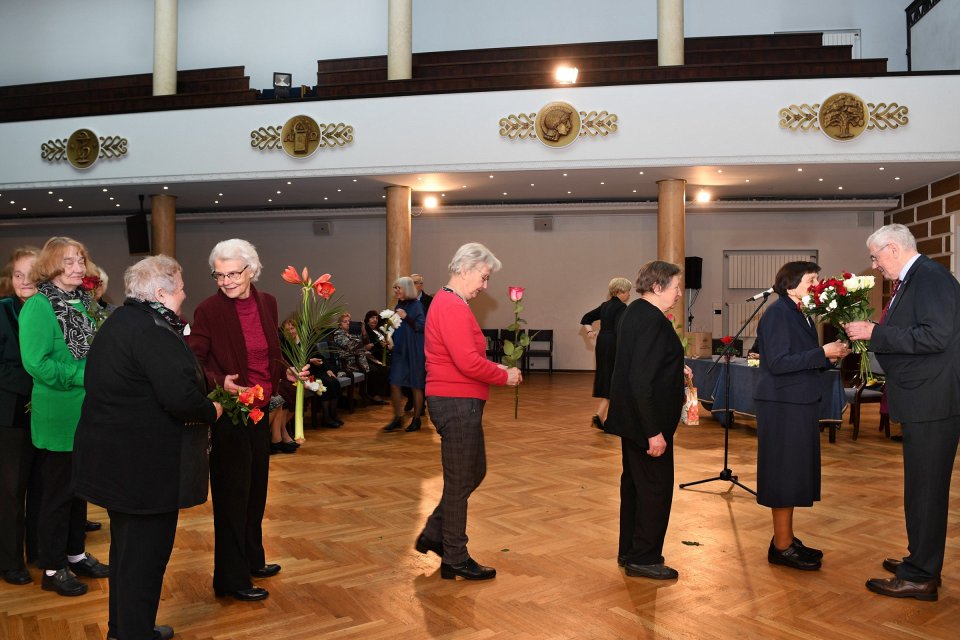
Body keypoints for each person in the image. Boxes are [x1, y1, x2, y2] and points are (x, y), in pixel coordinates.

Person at [73, 255, 222, 640]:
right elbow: (181, 398)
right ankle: (134, 633)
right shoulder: (152, 330)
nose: (186, 293)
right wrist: (213, 408)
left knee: (127, 554)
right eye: (182, 287)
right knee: (144, 559)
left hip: (117, 463)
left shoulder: (122, 320)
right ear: (161, 292)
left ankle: (124, 629)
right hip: (144, 469)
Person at [846, 223, 960, 602]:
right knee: (919, 490)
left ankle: (922, 576)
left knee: (926, 492)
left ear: (893, 248)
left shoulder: (930, 278)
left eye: (876, 257)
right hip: (924, 398)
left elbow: (936, 335)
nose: (875, 265)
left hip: (933, 400)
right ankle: (919, 560)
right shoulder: (917, 279)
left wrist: (875, 333)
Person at [416, 242, 522, 580]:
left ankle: (436, 533)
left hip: (459, 402)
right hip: (455, 403)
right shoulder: (451, 305)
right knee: (461, 480)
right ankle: (455, 557)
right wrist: (504, 375)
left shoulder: (452, 303)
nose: (485, 285)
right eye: (484, 277)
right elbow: (467, 362)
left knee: (472, 472)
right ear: (465, 269)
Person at [187, 239, 285, 602]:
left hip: (260, 411)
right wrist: (219, 383)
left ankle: (253, 559)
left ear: (251, 270)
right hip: (229, 414)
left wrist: (290, 375)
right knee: (231, 497)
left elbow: (269, 354)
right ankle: (230, 579)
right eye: (219, 274)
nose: (225, 281)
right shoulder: (209, 309)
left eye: (232, 273)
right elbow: (194, 359)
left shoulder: (268, 302)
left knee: (256, 489)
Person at [19, 237, 109, 597]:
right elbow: (36, 364)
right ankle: (52, 566)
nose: (77, 268)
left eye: (81, 260)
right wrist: (82, 375)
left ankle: (75, 554)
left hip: (88, 411)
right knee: (57, 495)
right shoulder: (38, 307)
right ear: (51, 265)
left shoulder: (84, 302)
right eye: (68, 262)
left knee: (79, 490)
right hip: (58, 413)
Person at [753, 262, 849, 571]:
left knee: (793, 472)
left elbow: (801, 359)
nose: (817, 284)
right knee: (784, 473)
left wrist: (829, 356)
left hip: (796, 402)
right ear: (791, 285)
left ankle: (786, 539)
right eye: (812, 279)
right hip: (783, 405)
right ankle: (781, 546)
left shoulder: (799, 313)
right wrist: (823, 352)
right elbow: (779, 362)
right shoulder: (779, 314)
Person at [604, 260, 688, 580]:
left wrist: (674, 369)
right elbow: (640, 379)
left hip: (632, 421)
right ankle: (645, 557)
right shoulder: (651, 320)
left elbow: (641, 364)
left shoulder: (635, 312)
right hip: (647, 424)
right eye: (676, 287)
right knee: (655, 490)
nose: (679, 293)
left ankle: (631, 551)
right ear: (657, 287)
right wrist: (654, 431)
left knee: (636, 487)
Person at [0, 247, 39, 586]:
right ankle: (10, 560)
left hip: (46, 415)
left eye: (31, 275)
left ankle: (40, 552)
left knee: (42, 488)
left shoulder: (49, 311)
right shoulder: (1, 311)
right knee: (11, 492)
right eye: (17, 275)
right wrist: (37, 381)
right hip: (9, 417)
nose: (24, 281)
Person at [579, 277, 631, 431]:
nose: (628, 294)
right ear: (621, 291)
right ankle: (610, 419)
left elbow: (585, 318)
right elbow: (620, 330)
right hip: (614, 343)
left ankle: (600, 417)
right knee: (616, 381)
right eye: (628, 291)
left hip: (602, 343)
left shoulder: (605, 306)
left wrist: (590, 332)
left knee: (609, 379)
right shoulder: (622, 308)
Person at [384, 276, 426, 433]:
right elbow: (396, 327)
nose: (395, 291)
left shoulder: (417, 306)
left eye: (398, 288)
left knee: (416, 385)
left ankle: (416, 420)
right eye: (395, 288)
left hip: (414, 350)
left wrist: (406, 317)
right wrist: (389, 339)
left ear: (407, 289)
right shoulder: (399, 305)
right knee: (394, 383)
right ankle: (398, 417)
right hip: (400, 350)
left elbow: (422, 326)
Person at [332, 312, 387, 404]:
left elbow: (364, 343)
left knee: (381, 368)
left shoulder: (352, 332)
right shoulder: (338, 334)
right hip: (349, 362)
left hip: (359, 359)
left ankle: (371, 394)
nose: (348, 323)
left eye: (349, 321)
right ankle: (369, 395)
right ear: (340, 324)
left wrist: (363, 331)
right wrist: (362, 342)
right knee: (373, 370)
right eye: (345, 321)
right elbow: (351, 346)